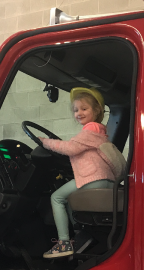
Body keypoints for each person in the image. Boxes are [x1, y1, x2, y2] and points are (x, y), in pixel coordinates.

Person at [39, 88, 117, 258]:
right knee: (68, 199)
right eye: (75, 110)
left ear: (96, 110)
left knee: (56, 197)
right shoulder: (100, 130)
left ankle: (63, 242)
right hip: (106, 179)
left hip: (93, 178)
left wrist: (45, 142)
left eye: (84, 109)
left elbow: (71, 148)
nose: (78, 113)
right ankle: (82, 235)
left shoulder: (90, 128)